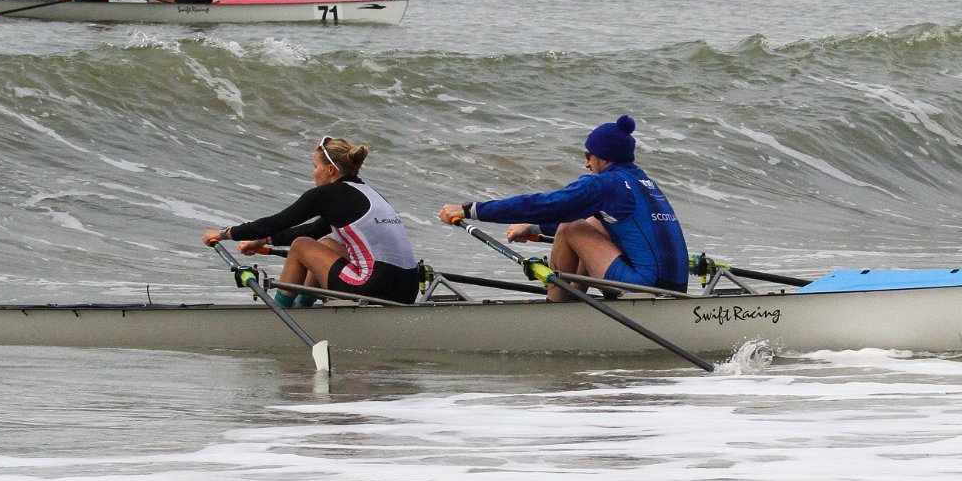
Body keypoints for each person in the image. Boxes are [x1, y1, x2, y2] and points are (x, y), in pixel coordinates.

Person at [438, 115, 688, 302]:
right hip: (675, 289)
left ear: (602, 156)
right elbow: (571, 216)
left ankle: (556, 306)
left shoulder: (605, 184)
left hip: (646, 288)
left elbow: (541, 205)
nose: (586, 162)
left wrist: (471, 210)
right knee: (594, 222)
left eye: (588, 154)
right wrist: (533, 227)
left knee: (570, 228)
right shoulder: (641, 182)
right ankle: (574, 303)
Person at [203, 136, 419, 307]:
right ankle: (302, 309)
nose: (313, 172)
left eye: (315, 166)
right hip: (408, 289)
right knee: (324, 245)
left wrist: (224, 233)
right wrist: (265, 240)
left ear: (330, 170)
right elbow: (314, 230)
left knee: (301, 246)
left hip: (371, 286)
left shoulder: (328, 194)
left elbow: (278, 221)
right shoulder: (369, 194)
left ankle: (282, 314)